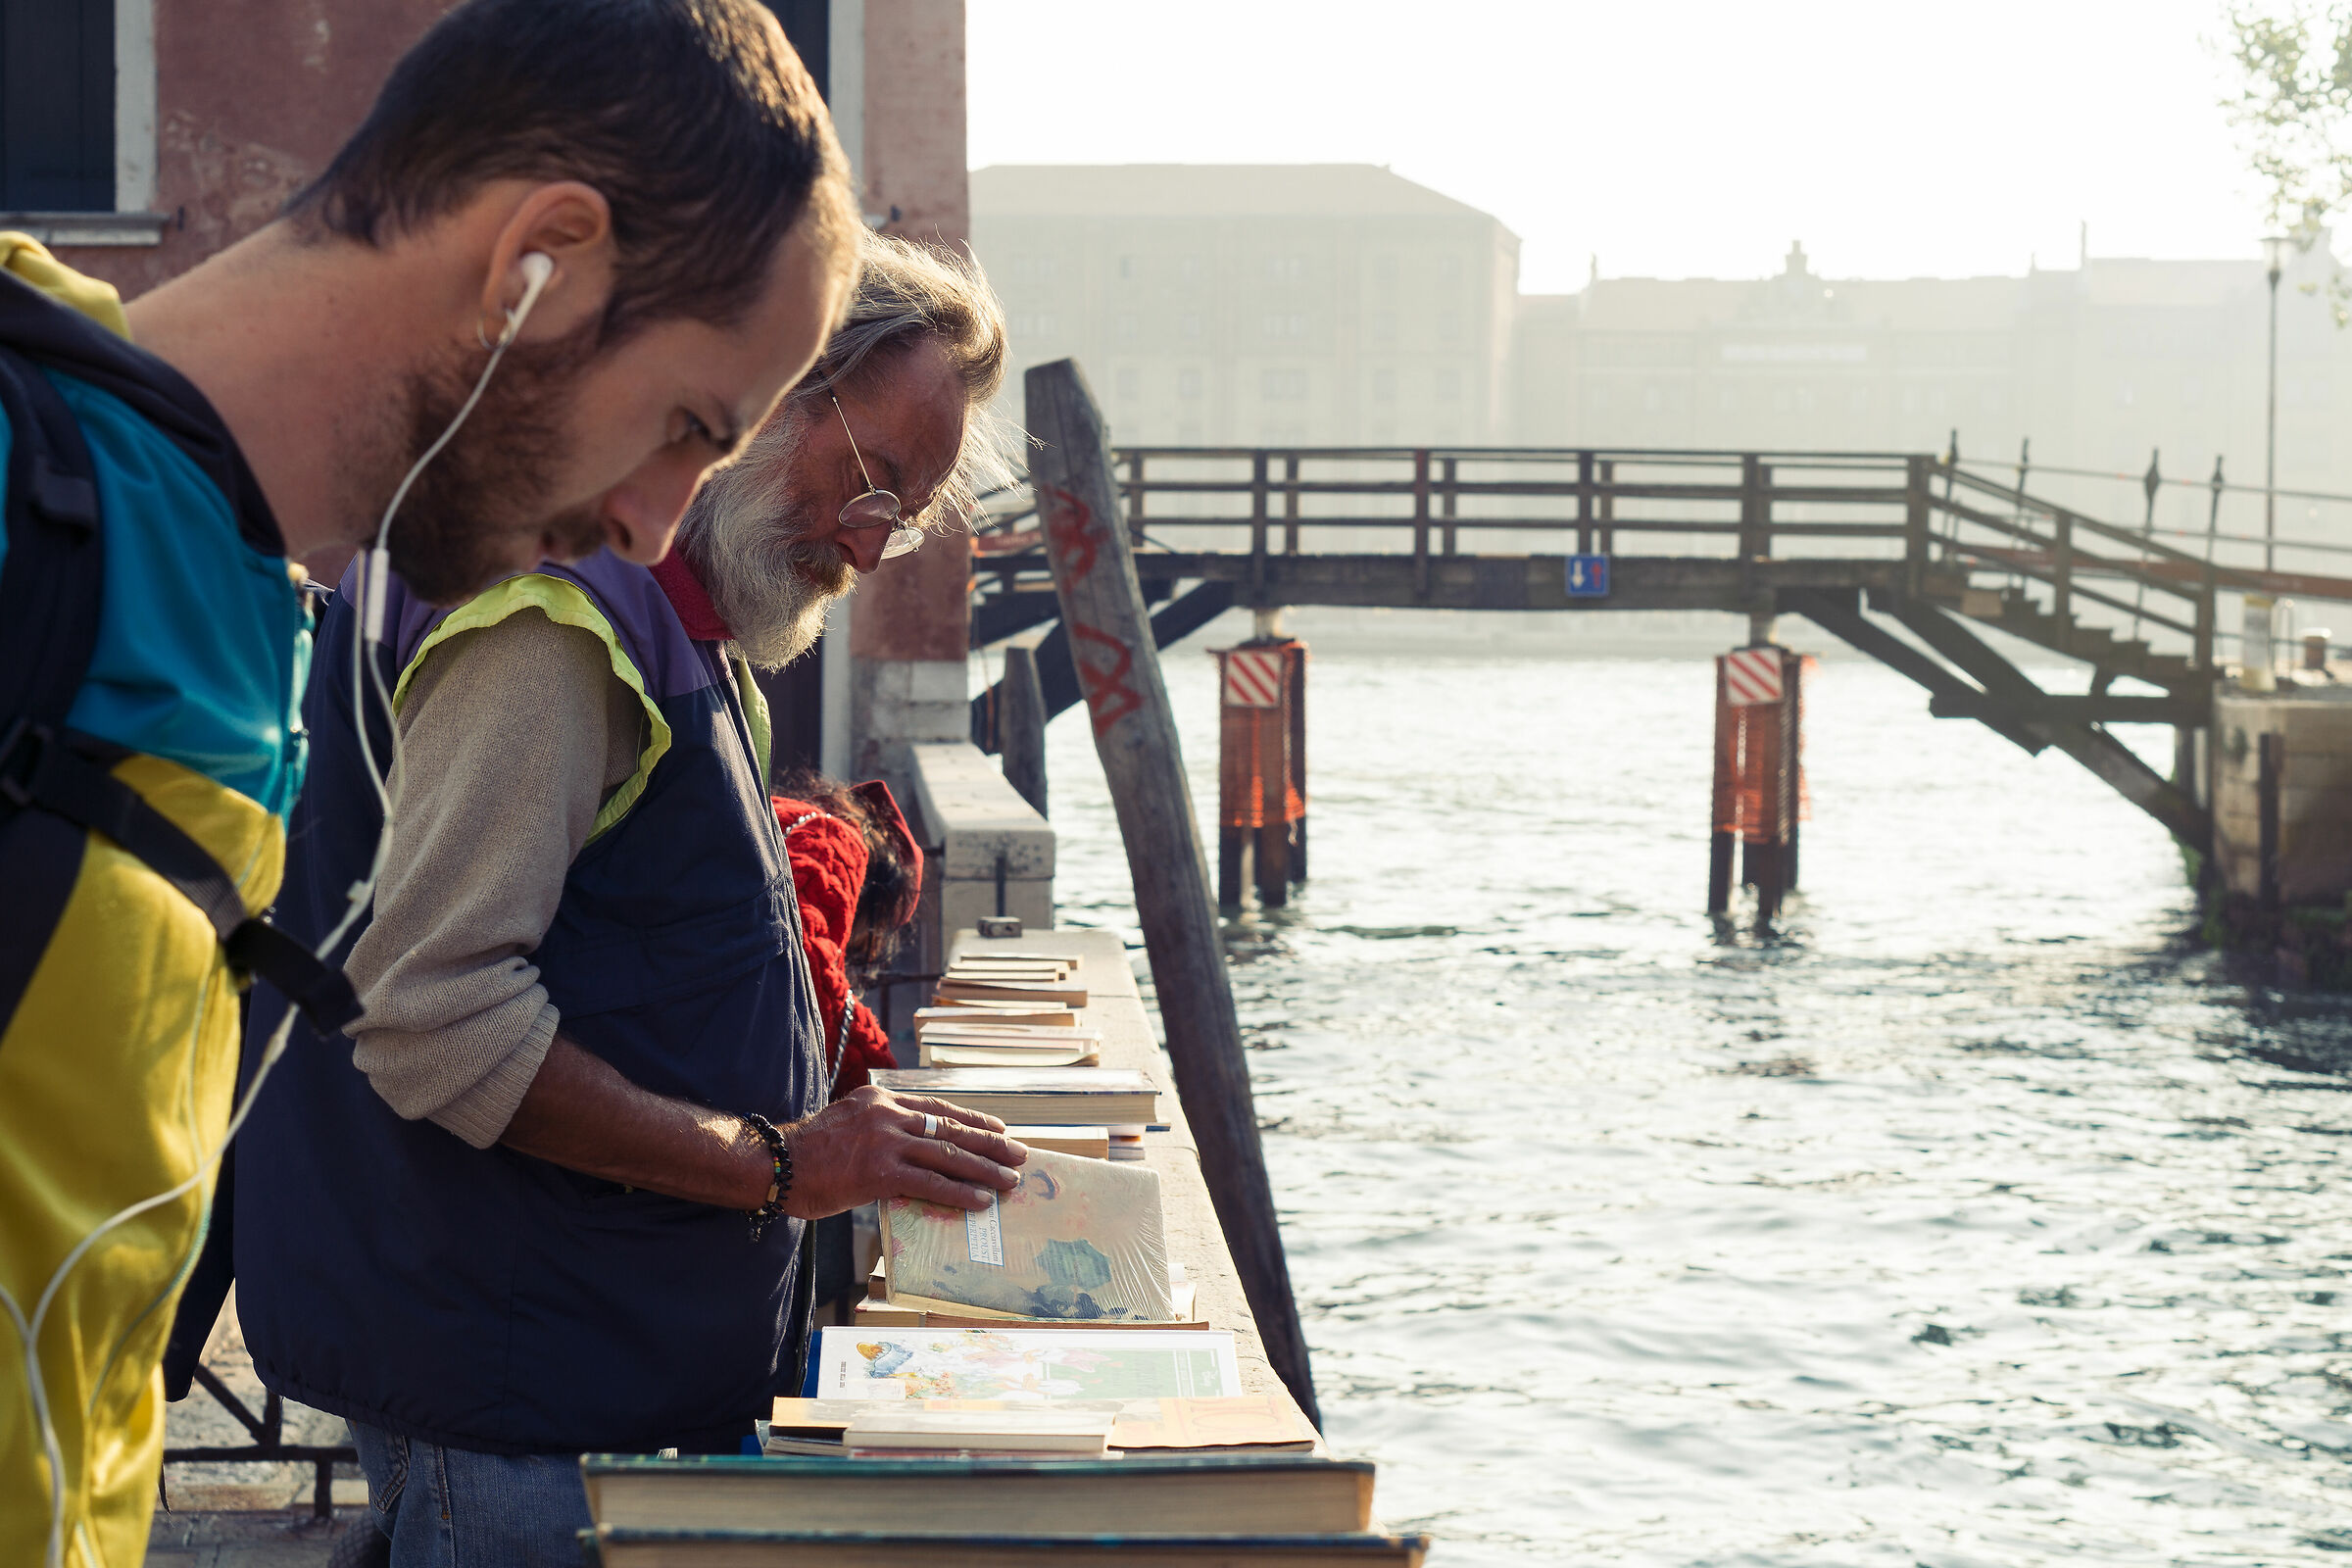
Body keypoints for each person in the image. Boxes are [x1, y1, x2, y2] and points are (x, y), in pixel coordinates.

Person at [0, 2, 857, 1560]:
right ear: (542, 264)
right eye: (685, 427)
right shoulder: (29, 495)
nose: (661, 528)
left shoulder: (254, 603)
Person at [234, 232, 1017, 1563]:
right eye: (873, 481)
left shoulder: (672, 615)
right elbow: (434, 1018)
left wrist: (824, 1111)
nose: (871, 545)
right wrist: (786, 1165)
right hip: (516, 1402)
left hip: (577, 1378)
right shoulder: (551, 612)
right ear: (769, 383)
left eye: (908, 514)